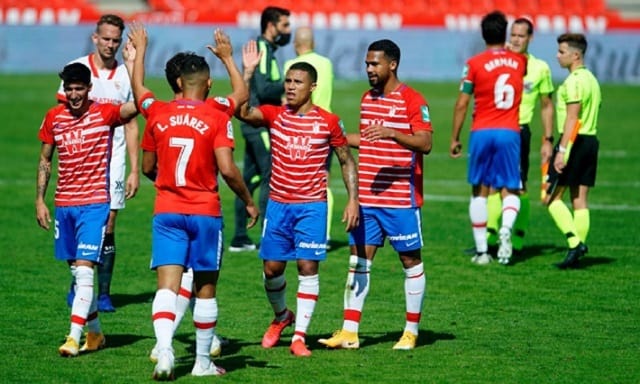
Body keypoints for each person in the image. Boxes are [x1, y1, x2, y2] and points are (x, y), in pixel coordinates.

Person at [127, 23, 259, 379]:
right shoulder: (217, 112)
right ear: (208, 83)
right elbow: (229, 168)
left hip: (167, 210)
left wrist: (139, 51)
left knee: (167, 287)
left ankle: (166, 350)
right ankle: (201, 363)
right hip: (204, 212)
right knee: (205, 288)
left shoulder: (157, 111)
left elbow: (139, 90)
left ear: (177, 84)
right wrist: (248, 200)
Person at [235, 61, 359, 357]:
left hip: (312, 206)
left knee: (307, 266)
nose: (290, 86)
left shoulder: (329, 122)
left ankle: (299, 337)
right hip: (278, 205)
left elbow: (345, 160)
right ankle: (282, 317)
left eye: (297, 82)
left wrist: (353, 198)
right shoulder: (274, 115)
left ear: (312, 87)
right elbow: (241, 111)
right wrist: (248, 73)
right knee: (271, 269)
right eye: (288, 81)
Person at [318, 39, 432, 351]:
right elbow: (365, 140)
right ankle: (350, 331)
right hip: (367, 199)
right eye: (367, 63)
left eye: (374, 64)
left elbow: (425, 143)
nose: (368, 69)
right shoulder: (367, 99)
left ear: (392, 64)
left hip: (401, 201)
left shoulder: (412, 99)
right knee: (358, 261)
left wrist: (393, 133)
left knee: (410, 260)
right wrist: (333, 138)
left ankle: (411, 331)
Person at [36, 62, 138, 357]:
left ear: (89, 89)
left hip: (94, 204)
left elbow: (139, 107)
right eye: (69, 89)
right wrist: (40, 200)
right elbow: (45, 160)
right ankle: (95, 333)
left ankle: (73, 336)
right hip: (64, 206)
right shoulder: (53, 118)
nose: (74, 94)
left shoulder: (105, 114)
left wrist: (135, 64)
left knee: (84, 272)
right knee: (76, 270)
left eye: (79, 88)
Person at [58, 14, 140, 312]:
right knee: (81, 224)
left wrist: (133, 168)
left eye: (115, 40)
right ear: (95, 38)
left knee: (108, 225)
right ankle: (80, 281)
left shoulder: (126, 76)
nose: (110, 45)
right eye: (105, 38)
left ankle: (103, 292)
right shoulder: (77, 69)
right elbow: (61, 116)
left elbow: (131, 124)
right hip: (82, 159)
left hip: (114, 159)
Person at [449, 11, 526, 266]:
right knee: (510, 188)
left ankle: (482, 252)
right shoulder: (519, 62)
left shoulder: (473, 64)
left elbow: (462, 103)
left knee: (479, 191)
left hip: (482, 131)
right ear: (504, 33)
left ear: (482, 35)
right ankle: (506, 228)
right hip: (509, 131)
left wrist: (455, 137)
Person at [485, 17, 555, 255]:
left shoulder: (540, 68)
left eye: (521, 36)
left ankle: (518, 236)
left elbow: (546, 105)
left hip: (517, 131)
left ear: (530, 38)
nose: (515, 40)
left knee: (518, 187)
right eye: (512, 35)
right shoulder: (496, 62)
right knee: (491, 185)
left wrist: (548, 138)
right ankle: (491, 234)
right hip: (492, 129)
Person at [229, 5, 291, 252]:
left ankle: (240, 237)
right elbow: (265, 89)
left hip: (253, 122)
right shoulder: (262, 49)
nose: (288, 31)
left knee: (248, 179)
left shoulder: (267, 48)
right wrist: (288, 84)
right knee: (271, 176)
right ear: (271, 25)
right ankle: (269, 237)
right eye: (285, 25)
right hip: (260, 121)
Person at [546, 33, 601, 269]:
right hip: (590, 140)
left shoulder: (574, 82)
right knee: (579, 200)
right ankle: (577, 253)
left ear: (575, 55)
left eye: (561, 52)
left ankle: (574, 242)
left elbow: (572, 117)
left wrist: (562, 150)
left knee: (552, 200)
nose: (557, 56)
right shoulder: (592, 80)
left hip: (574, 142)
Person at [284, 26, 337, 248]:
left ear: (296, 44)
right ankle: (322, 234)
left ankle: (293, 231)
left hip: (299, 128)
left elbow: (287, 100)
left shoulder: (291, 66)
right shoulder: (326, 63)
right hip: (325, 128)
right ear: (313, 43)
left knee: (292, 181)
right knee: (323, 181)